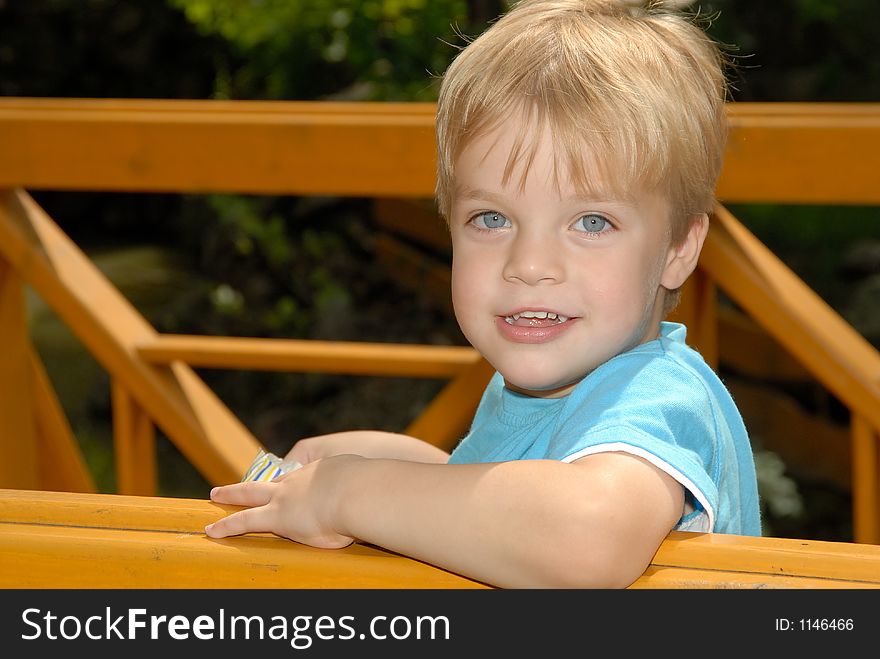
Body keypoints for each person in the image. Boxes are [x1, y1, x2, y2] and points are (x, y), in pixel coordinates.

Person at [205, 0, 762, 588]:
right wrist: (387, 463)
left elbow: (586, 537)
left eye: (591, 222)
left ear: (679, 247)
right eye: (492, 219)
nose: (528, 264)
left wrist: (349, 492)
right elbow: (507, 501)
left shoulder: (658, 395)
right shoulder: (537, 390)